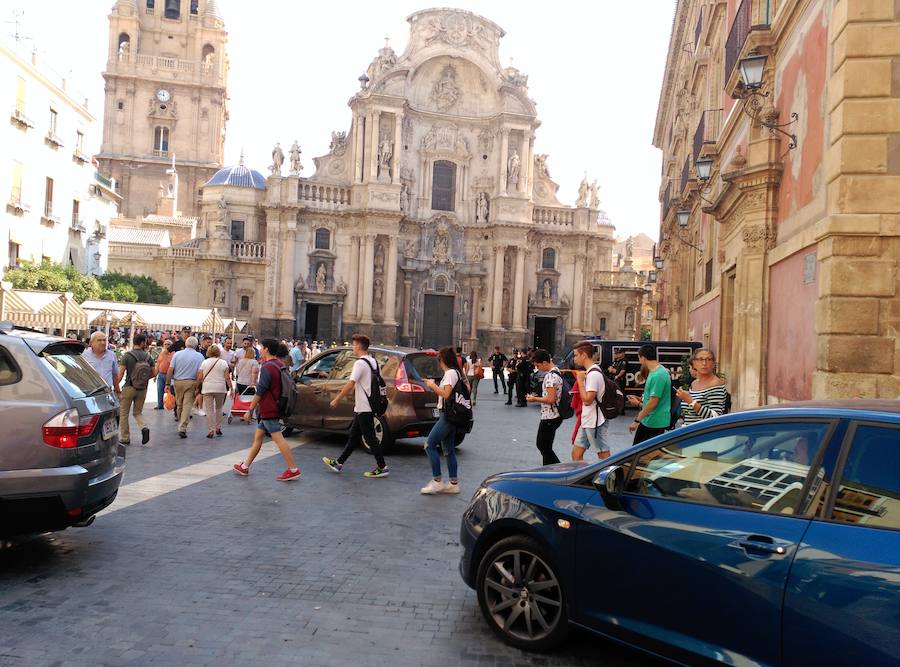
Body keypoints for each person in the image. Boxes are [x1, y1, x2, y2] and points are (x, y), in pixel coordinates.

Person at [232, 338, 301, 481]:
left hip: (269, 408)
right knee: (258, 437)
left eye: (262, 348)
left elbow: (260, 391)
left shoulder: (268, 367)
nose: (261, 350)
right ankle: (245, 466)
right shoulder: (279, 364)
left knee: (278, 439)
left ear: (267, 349)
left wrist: (250, 409)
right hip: (271, 407)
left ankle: (293, 469)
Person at [321, 334, 389, 478]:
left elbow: (351, 383)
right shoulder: (373, 362)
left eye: (353, 345)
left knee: (370, 438)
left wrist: (337, 399)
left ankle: (382, 467)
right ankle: (339, 463)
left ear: (358, 346)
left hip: (365, 407)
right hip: (366, 406)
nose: (352, 347)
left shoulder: (359, 363)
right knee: (353, 437)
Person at [420, 346, 467, 494]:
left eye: (439, 360)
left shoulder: (450, 373)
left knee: (429, 445)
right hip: (452, 415)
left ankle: (437, 481)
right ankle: (453, 483)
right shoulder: (456, 373)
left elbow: (446, 395)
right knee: (448, 450)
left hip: (447, 416)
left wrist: (432, 385)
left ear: (443, 360)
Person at [572, 341, 610, 461]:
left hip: (595, 421)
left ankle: (611, 478)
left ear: (583, 355)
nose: (574, 358)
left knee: (603, 455)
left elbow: (588, 400)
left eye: (576, 355)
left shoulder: (593, 374)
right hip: (588, 420)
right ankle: (582, 478)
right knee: (576, 454)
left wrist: (580, 381)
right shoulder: (591, 371)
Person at [627, 344, 672, 444]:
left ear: (642, 357)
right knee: (638, 451)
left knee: (645, 455)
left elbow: (653, 401)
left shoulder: (658, 375)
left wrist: (637, 421)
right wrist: (640, 399)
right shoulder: (657, 371)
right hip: (649, 420)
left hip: (654, 421)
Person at [526, 349, 563, 465]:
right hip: (555, 415)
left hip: (549, 416)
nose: (537, 369)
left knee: (542, 446)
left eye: (537, 365)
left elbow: (551, 399)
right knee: (546, 447)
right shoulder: (556, 371)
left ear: (544, 363)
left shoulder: (550, 377)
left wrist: (534, 399)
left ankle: (558, 470)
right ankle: (549, 470)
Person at [116, 333, 154, 446]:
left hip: (128, 387)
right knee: (137, 412)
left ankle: (125, 438)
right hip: (142, 388)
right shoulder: (148, 357)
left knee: (123, 414)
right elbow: (154, 373)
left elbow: (121, 374)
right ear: (142, 343)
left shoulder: (127, 356)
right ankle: (144, 427)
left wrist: (116, 386)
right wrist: (143, 380)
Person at [675, 348, 728, 426]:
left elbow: (715, 416)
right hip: (690, 432)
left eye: (708, 359)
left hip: (705, 434)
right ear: (694, 363)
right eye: (700, 359)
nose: (704, 363)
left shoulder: (715, 384)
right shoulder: (694, 383)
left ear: (713, 364)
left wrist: (690, 401)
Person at [166, 336, 204, 439]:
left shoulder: (177, 354)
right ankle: (182, 427)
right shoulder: (199, 356)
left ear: (186, 344)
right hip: (191, 382)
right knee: (187, 405)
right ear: (196, 345)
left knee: (179, 404)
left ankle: (181, 422)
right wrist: (198, 386)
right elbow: (200, 373)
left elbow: (170, 369)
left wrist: (167, 383)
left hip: (178, 382)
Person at [197, 344, 233, 438]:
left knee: (209, 410)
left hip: (207, 388)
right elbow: (227, 378)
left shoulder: (204, 362)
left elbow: (200, 377)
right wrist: (231, 388)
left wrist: (197, 387)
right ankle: (218, 428)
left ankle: (211, 430)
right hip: (220, 388)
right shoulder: (223, 362)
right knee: (219, 409)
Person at [82, 331, 120, 398]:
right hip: (90, 392)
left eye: (104, 340)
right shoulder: (84, 355)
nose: (103, 343)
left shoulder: (111, 355)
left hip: (107, 392)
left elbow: (115, 375)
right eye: (99, 340)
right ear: (91, 343)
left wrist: (118, 391)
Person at [608, 348, 629, 415]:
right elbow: (609, 368)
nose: (617, 354)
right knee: (614, 395)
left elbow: (622, 371)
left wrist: (617, 374)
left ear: (623, 353)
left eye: (619, 353)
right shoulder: (616, 361)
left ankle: (621, 410)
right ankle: (616, 409)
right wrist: (613, 370)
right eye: (617, 353)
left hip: (620, 380)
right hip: (614, 380)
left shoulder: (624, 361)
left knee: (621, 394)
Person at [154, 338, 172, 410]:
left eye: (168, 344)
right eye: (165, 344)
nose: (167, 346)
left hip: (170, 375)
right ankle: (160, 405)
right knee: (159, 390)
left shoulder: (173, 354)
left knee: (171, 391)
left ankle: (172, 405)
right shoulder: (161, 353)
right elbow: (158, 364)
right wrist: (155, 375)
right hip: (161, 374)